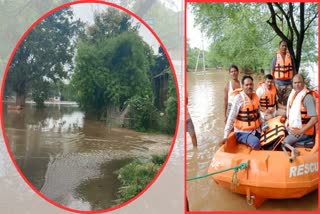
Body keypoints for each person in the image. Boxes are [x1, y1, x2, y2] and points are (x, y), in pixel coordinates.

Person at [221, 75, 264, 150]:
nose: (249, 87)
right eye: (246, 85)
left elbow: (258, 114)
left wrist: (264, 125)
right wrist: (225, 136)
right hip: (242, 132)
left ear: (253, 85)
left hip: (256, 129)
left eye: (250, 84)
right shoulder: (238, 98)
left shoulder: (255, 96)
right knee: (256, 142)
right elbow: (231, 118)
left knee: (268, 138)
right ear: (242, 86)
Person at [283, 74, 318, 147]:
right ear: (292, 84)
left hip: (304, 132)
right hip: (293, 128)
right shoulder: (294, 95)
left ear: (303, 83)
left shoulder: (307, 98)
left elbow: (315, 119)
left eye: (299, 82)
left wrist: (300, 131)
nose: (297, 85)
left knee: (285, 143)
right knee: (278, 135)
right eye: (295, 83)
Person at [271, 40, 296, 107]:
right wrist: (272, 83)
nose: (284, 47)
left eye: (285, 46)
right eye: (282, 46)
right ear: (280, 47)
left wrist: (294, 82)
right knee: (278, 102)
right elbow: (272, 71)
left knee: (288, 102)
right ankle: (279, 116)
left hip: (288, 84)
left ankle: (287, 116)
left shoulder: (290, 57)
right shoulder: (275, 58)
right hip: (278, 84)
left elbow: (294, 70)